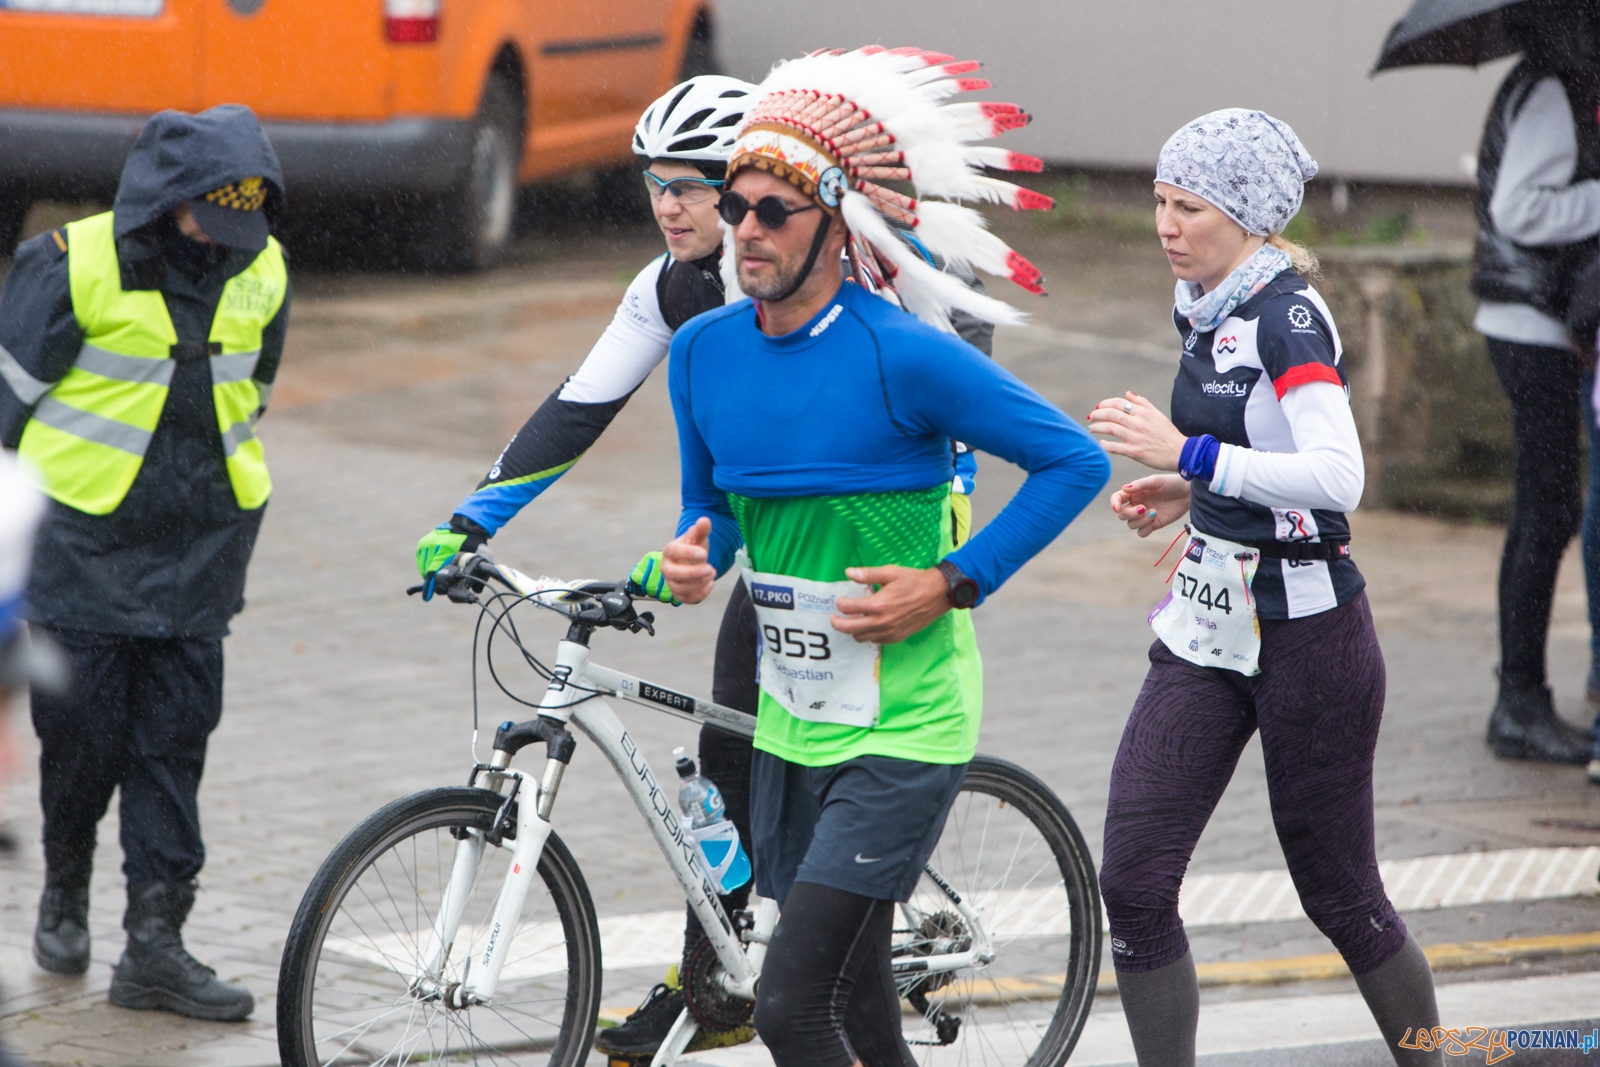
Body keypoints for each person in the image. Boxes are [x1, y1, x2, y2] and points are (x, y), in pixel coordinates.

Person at [412, 73, 999, 1059]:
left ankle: (813, 931)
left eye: (691, 185)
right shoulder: (675, 286)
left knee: (762, 723)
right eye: (654, 183)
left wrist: (946, 560)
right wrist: (473, 515)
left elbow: (953, 383)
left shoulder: (798, 271)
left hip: (893, 536)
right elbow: (577, 405)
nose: (668, 207)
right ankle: (723, 974)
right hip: (779, 544)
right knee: (724, 757)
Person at [656, 46, 1109, 1067]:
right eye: (737, 206)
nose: (749, 229)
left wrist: (950, 582)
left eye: (778, 209)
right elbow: (713, 509)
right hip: (793, 720)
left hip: (905, 726)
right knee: (858, 1003)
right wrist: (689, 557)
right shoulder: (703, 352)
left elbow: (1069, 460)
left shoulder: (899, 350)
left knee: (786, 1002)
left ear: (837, 219)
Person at [1086, 110, 1442, 1067]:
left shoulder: (1284, 315)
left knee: (1340, 895)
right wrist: (1188, 487)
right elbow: (1259, 452)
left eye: (1188, 205)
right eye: (1159, 199)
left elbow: (1338, 480)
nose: (1165, 222)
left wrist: (1192, 452)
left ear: (1246, 216)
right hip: (1210, 624)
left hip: (1311, 636)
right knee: (1134, 880)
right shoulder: (1205, 303)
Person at [0, 104, 289, 1021]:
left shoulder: (264, 265)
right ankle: (64, 890)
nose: (233, 241)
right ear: (166, 201)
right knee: (81, 741)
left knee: (173, 748)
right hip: (81, 547)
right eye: (214, 216)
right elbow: (6, 415)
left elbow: (257, 391)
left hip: (202, 548)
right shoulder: (68, 265)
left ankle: (155, 947)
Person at [1471, 1, 1600, 766]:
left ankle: (1520, 697)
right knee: (1545, 512)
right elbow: (1517, 207)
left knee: (1544, 511)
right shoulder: (1554, 90)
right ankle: (1518, 701)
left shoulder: (1546, 81)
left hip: (1528, 320)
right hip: (1530, 324)